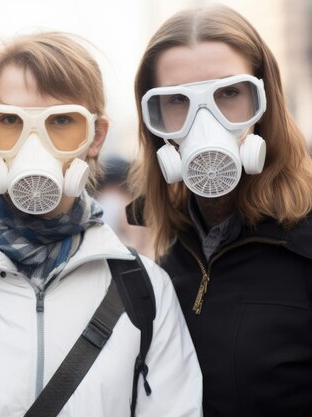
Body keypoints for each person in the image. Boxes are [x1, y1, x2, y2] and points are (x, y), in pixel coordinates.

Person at [0, 31, 202, 417]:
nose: (35, 143)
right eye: (9, 120)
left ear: (96, 137)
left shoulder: (146, 291)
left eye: (62, 120)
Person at [128, 4, 312, 416]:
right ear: (154, 124)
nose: (204, 120)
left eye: (229, 93)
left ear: (265, 101)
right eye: (177, 100)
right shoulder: (166, 260)